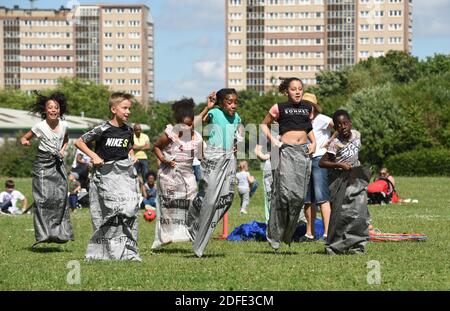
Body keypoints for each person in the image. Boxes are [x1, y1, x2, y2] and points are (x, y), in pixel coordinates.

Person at [75, 92, 141, 261]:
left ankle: (126, 250)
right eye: (124, 108)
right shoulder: (102, 129)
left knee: (129, 209)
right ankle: (104, 249)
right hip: (105, 176)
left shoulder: (128, 130)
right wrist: (94, 156)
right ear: (114, 109)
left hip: (123, 177)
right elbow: (79, 141)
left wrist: (132, 156)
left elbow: (128, 148)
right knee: (110, 212)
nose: (128, 112)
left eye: (129, 108)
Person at [260, 77, 316, 251]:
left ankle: (288, 233)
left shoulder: (308, 108)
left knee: (299, 197)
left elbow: (308, 128)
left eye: (300, 88)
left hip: (303, 152)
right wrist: (273, 141)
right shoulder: (279, 107)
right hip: (286, 151)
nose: (298, 91)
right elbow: (263, 125)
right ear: (286, 91)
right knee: (283, 195)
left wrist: (313, 143)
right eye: (294, 89)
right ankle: (274, 235)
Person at [186, 88, 242, 257]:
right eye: (229, 102)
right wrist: (207, 107)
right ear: (221, 103)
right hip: (213, 156)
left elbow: (236, 135)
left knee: (227, 198)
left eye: (235, 102)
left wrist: (236, 143)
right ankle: (193, 218)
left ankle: (204, 228)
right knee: (209, 199)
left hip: (229, 158)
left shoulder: (237, 117)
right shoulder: (215, 112)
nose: (233, 105)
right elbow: (194, 126)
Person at [20, 91, 74, 246]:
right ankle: (44, 234)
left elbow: (66, 138)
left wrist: (63, 150)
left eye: (56, 107)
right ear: (45, 110)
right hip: (43, 163)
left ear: (60, 110)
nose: (53, 110)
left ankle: (60, 234)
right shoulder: (40, 126)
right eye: (50, 107)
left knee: (61, 196)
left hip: (57, 163)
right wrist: (24, 141)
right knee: (43, 198)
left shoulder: (64, 125)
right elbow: (25, 137)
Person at [151, 98, 203, 250]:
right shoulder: (170, 134)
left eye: (189, 124)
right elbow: (156, 147)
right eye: (183, 125)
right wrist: (163, 159)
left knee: (193, 203)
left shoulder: (197, 137)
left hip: (188, 174)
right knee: (168, 206)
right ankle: (165, 235)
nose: (186, 128)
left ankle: (193, 233)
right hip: (169, 174)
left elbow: (202, 156)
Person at [319, 110, 371, 255]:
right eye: (339, 125)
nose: (343, 126)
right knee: (341, 213)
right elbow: (322, 163)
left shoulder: (357, 135)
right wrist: (340, 165)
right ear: (335, 127)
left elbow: (356, 153)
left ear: (350, 123)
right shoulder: (335, 144)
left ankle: (357, 245)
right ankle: (335, 245)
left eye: (345, 123)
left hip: (355, 177)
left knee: (359, 211)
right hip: (339, 179)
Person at [301, 93, 333, 242]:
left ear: (313, 107)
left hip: (320, 159)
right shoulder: (302, 121)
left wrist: (331, 141)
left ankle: (328, 233)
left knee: (322, 198)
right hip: (305, 160)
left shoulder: (322, 119)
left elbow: (341, 126)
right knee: (308, 200)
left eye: (309, 105)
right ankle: (310, 233)